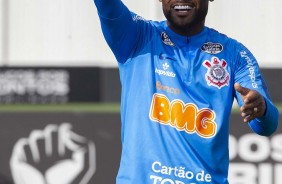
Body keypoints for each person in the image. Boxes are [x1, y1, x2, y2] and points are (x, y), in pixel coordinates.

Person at [93, 0, 279, 183]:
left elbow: (266, 125)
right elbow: (107, 5)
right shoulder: (136, 36)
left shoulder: (235, 54)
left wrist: (261, 109)